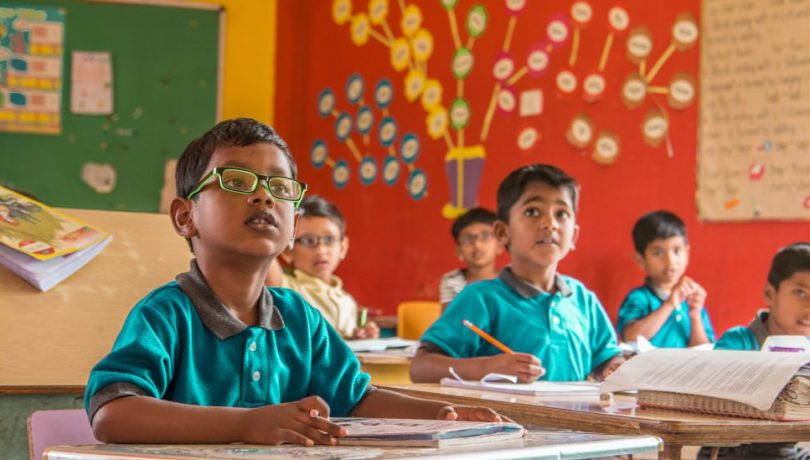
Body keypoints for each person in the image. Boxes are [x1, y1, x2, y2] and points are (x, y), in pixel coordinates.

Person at [84, 118, 506, 446]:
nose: (264, 197)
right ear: (185, 216)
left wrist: (444, 414)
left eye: (280, 187)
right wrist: (248, 424)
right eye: (236, 181)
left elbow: (357, 400)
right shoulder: (167, 314)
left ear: (292, 226)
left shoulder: (300, 318)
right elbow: (113, 415)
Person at [410, 164, 624, 383]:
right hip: (502, 418)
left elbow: (606, 359)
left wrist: (614, 368)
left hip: (575, 417)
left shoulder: (583, 299)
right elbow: (421, 368)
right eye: (532, 212)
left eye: (561, 213)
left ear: (574, 237)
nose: (550, 223)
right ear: (503, 233)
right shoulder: (480, 298)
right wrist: (488, 367)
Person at [699, 242, 810, 460]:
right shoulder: (737, 343)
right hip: (730, 451)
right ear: (770, 294)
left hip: (783, 453)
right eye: (801, 293)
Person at [267, 195, 378, 339]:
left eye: (329, 239)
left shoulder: (347, 301)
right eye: (309, 241)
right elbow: (262, 247)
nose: (321, 251)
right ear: (288, 251)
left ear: (343, 247)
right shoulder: (285, 289)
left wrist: (361, 335)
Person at [617, 211, 715, 348]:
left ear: (687, 253)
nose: (670, 260)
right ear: (641, 260)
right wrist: (670, 303)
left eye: (677, 251)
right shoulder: (639, 298)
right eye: (658, 253)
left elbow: (703, 349)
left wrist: (695, 315)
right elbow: (631, 337)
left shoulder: (692, 299)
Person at [439, 207, 502, 311]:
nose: (477, 244)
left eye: (485, 236)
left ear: (500, 245)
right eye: (468, 238)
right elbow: (450, 323)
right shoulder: (453, 281)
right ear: (458, 250)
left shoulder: (511, 280)